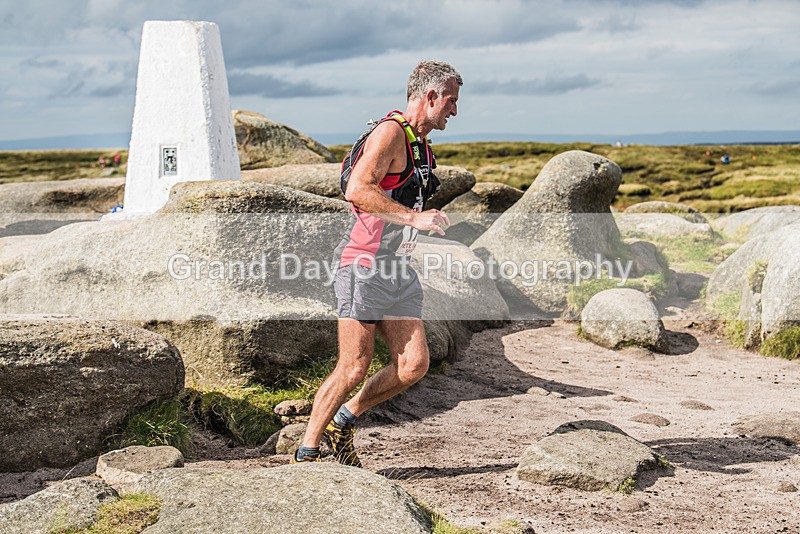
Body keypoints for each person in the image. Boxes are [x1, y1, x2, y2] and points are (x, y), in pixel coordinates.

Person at [292, 60, 462, 465]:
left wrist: (421, 218)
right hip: (363, 265)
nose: (455, 111)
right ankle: (308, 449)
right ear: (431, 96)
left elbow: (398, 194)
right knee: (353, 367)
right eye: (451, 101)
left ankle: (346, 419)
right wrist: (412, 218)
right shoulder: (390, 133)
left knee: (415, 364)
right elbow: (357, 189)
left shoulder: (421, 145)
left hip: (397, 269)